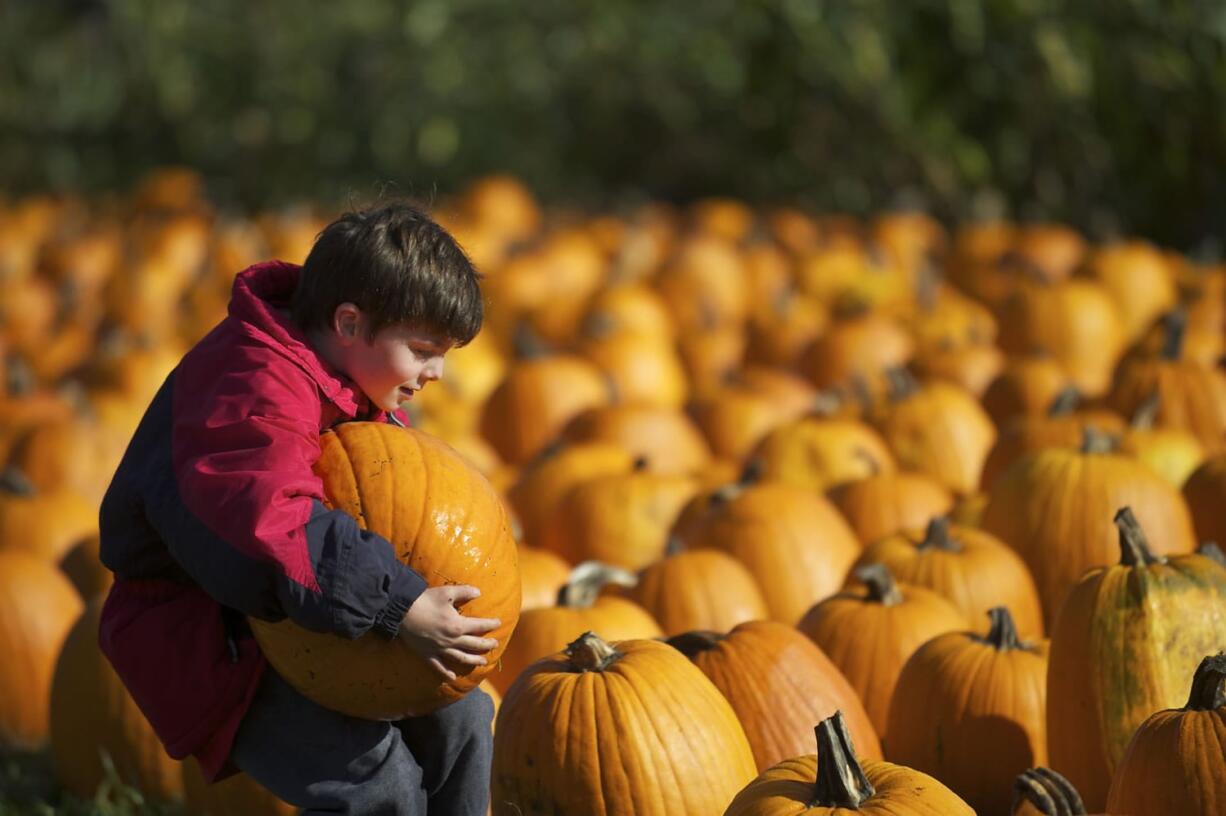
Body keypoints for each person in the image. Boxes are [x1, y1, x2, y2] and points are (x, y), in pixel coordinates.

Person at [97, 200, 502, 814]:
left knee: (463, 712)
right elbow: (273, 524)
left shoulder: (347, 378)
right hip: (211, 639)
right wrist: (402, 603)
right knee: (379, 784)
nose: (437, 371)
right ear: (347, 323)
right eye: (422, 349)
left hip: (301, 619)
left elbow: (389, 505)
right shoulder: (252, 383)